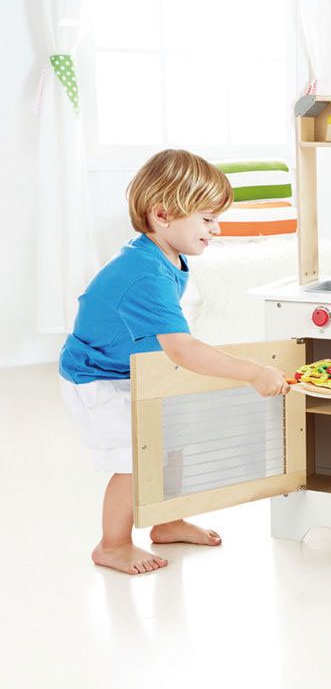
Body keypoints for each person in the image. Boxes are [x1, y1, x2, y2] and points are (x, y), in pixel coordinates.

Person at [59, 149, 290, 575]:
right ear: (163, 214)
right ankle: (112, 544)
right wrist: (254, 373)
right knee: (134, 458)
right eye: (207, 219)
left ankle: (167, 521)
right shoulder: (144, 273)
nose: (216, 229)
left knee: (173, 438)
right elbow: (183, 349)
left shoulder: (166, 256)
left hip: (133, 368)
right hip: (97, 378)